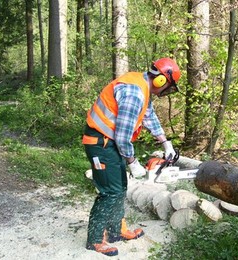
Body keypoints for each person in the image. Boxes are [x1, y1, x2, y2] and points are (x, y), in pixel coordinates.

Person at [82, 57, 181, 256]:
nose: (165, 91)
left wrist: (165, 143)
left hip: (109, 142)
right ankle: (94, 240)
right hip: (101, 143)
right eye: (167, 86)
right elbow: (122, 135)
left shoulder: (141, 85)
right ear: (161, 80)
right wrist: (132, 162)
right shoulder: (135, 93)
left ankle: (116, 230)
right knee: (110, 192)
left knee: (120, 187)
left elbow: (149, 115)